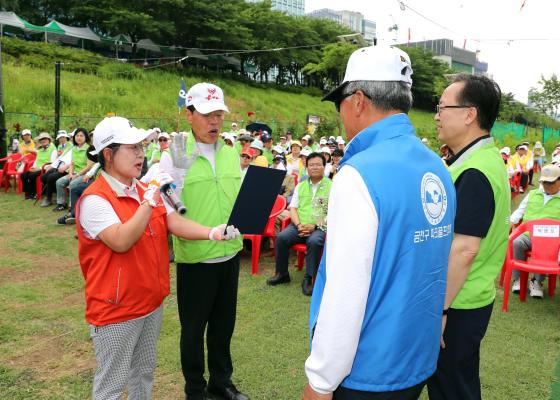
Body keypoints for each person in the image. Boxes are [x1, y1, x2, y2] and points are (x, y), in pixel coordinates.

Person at [301, 45, 455, 400]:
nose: (340, 111)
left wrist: (321, 380)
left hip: (368, 371)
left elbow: (346, 291)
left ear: (357, 101)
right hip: (416, 358)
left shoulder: (359, 173)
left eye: (340, 100)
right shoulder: (436, 168)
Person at [77, 116, 239, 400]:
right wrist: (149, 199)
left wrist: (212, 232)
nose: (140, 154)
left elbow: (173, 222)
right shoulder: (96, 199)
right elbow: (121, 240)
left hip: (150, 302)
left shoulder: (141, 189)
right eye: (132, 148)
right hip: (116, 308)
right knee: (112, 386)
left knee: (143, 374)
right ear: (108, 155)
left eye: (141, 147)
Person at [160, 82, 249, 400]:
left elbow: (238, 199)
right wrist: (210, 231)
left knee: (224, 326)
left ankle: (221, 382)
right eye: (208, 114)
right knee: (194, 330)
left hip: (229, 255)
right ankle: (195, 388)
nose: (215, 122)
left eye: (220, 115)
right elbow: (171, 214)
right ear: (189, 114)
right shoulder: (174, 157)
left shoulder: (229, 153)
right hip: (197, 258)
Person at [427, 74, 510, 400]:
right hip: (470, 295)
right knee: (458, 384)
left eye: (442, 107)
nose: (436, 115)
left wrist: (441, 312)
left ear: (469, 113)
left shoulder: (475, 170)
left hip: (458, 302)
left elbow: (464, 249)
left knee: (452, 389)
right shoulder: (480, 159)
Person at [267, 152, 331, 296]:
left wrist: (315, 226)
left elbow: (334, 212)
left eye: (318, 164)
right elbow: (293, 208)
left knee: (314, 241)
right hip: (299, 225)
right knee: (282, 237)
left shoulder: (332, 186)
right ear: (306, 167)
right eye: (311, 165)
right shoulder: (300, 186)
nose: (314, 167)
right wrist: (299, 225)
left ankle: (309, 278)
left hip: (319, 227)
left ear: (324, 166)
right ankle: (282, 274)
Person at [509, 164, 560, 298]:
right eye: (544, 182)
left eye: (551, 182)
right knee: (516, 242)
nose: (547, 185)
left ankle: (537, 281)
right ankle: (518, 278)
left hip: (553, 239)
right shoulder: (532, 194)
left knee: (548, 249)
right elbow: (518, 213)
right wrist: (511, 222)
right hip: (528, 235)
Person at [54, 128, 93, 211]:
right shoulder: (74, 148)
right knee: (59, 182)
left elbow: (89, 166)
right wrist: (71, 174)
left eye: (81, 136)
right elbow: (72, 163)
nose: (79, 138)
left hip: (85, 174)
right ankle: (61, 204)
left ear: (86, 137)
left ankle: (72, 206)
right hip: (75, 173)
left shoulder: (89, 149)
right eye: (77, 135)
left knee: (72, 184)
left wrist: (77, 175)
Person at [21, 132, 57, 200]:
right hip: (37, 168)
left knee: (32, 176)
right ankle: (28, 193)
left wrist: (39, 168)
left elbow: (52, 163)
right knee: (23, 175)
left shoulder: (53, 149)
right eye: (41, 139)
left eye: (45, 138)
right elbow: (36, 160)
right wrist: (33, 167)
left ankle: (34, 193)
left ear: (49, 140)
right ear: (40, 141)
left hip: (46, 169)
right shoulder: (40, 150)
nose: (43, 140)